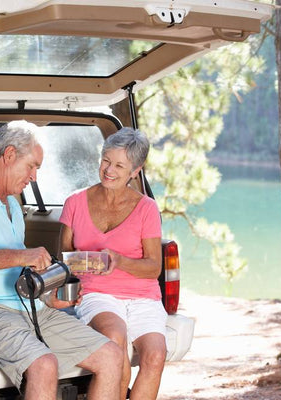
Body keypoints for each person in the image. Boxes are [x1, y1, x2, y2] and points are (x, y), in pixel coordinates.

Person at [0, 120, 122, 400]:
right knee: (43, 365)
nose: (34, 177)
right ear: (9, 155)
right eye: (32, 166)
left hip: (25, 307)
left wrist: (49, 299)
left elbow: (14, 274)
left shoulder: (11, 202)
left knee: (111, 356)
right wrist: (23, 255)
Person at [59, 127, 167, 400]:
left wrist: (119, 261)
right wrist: (88, 263)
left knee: (155, 354)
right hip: (97, 293)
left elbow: (154, 266)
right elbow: (63, 258)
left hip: (143, 297)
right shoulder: (74, 202)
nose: (109, 169)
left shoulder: (147, 209)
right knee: (115, 337)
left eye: (119, 165)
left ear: (135, 171)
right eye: (106, 160)